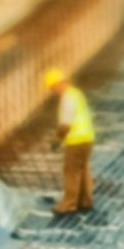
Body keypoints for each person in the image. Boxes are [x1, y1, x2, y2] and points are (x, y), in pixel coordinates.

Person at [43, 69, 94, 216]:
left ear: (58, 84)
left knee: (71, 171)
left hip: (75, 140)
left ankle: (69, 204)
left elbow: (66, 123)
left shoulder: (67, 98)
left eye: (52, 88)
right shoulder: (76, 93)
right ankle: (86, 201)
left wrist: (57, 139)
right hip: (87, 137)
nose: (53, 91)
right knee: (83, 169)